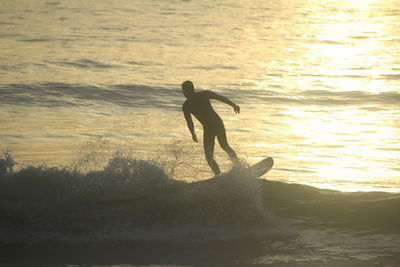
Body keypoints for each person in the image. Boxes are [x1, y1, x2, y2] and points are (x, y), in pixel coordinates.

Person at [181, 80, 240, 175]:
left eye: (185, 91)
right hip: (208, 128)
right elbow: (189, 121)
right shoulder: (186, 106)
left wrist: (233, 105)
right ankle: (218, 174)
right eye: (183, 91)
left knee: (224, 145)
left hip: (216, 123)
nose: (184, 93)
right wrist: (193, 133)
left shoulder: (204, 95)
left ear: (191, 90)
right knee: (209, 157)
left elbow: (219, 98)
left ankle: (239, 166)